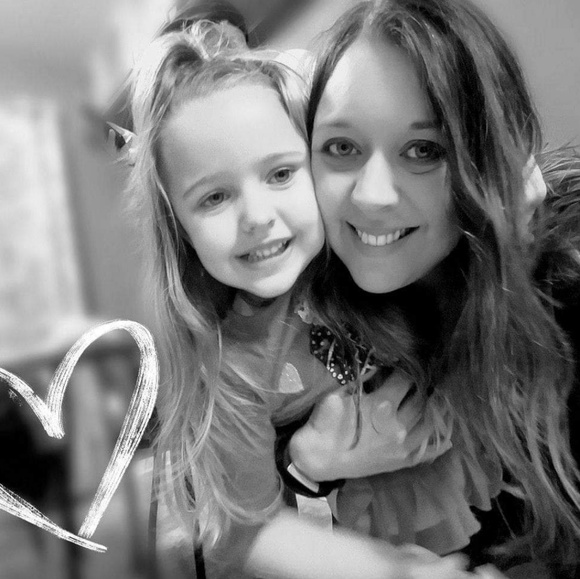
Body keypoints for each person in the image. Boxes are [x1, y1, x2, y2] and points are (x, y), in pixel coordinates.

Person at [124, 8, 488, 579]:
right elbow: (247, 535)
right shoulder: (230, 364)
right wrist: (391, 571)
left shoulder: (368, 257)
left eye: (280, 174)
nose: (256, 217)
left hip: (461, 474)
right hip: (346, 539)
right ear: (181, 230)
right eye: (214, 198)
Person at [278, 0, 580, 577]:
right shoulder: (301, 311)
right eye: (342, 147)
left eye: (425, 151)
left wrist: (507, 264)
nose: (372, 196)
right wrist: (310, 465)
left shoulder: (564, 291)